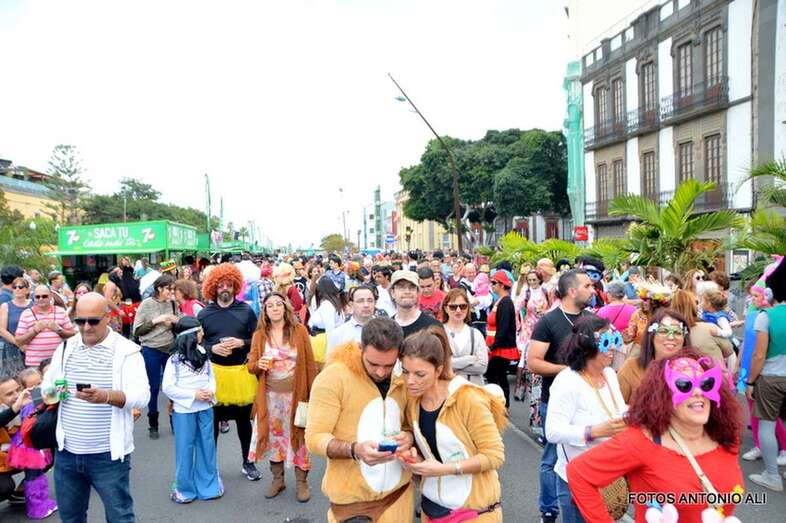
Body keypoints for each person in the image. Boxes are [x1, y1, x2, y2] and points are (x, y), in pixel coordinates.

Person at [567, 349, 743, 522]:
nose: (698, 392)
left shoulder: (726, 435)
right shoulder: (641, 442)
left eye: (706, 383)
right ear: (663, 396)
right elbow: (579, 474)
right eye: (684, 385)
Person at [41, 292, 150, 523]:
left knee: (119, 517)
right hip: (67, 452)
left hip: (108, 455)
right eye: (80, 321)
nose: (86, 327)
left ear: (108, 317)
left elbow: (142, 396)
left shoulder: (126, 351)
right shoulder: (66, 348)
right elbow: (47, 388)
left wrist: (106, 396)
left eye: (93, 321)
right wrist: (54, 392)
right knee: (71, 518)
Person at [305, 318, 415, 523]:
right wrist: (355, 450)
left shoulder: (405, 377)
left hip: (399, 497)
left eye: (389, 365)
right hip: (352, 504)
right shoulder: (333, 377)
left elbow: (410, 425)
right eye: (373, 364)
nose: (381, 372)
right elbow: (314, 438)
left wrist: (408, 437)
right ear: (360, 348)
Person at [399, 327, 506, 522]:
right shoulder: (413, 401)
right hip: (432, 509)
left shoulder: (468, 398)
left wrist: (445, 469)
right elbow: (427, 443)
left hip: (474, 511)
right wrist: (411, 448)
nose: (410, 381)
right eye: (405, 372)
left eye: (420, 374)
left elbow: (494, 455)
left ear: (439, 370)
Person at [527, 269, 595, 523]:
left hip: (587, 403)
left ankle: (582, 507)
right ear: (572, 291)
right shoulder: (549, 321)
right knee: (552, 457)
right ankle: (548, 509)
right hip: (555, 402)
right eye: (587, 286)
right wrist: (568, 370)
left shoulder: (593, 320)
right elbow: (534, 362)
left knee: (583, 456)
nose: (593, 290)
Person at [545, 316, 627, 523]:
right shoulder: (567, 381)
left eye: (615, 340)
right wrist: (594, 431)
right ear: (587, 345)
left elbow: (618, 410)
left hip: (609, 475)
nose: (613, 348)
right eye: (606, 342)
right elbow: (553, 431)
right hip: (577, 480)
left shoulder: (609, 374)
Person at [247, 292, 317, 502]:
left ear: (285, 307)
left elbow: (310, 363)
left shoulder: (299, 331)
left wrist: (313, 394)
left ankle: (301, 482)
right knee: (274, 438)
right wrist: (258, 365)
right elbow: (251, 366)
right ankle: (278, 480)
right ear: (265, 311)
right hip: (270, 398)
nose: (275, 308)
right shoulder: (259, 335)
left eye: (279, 304)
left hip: (296, 396)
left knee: (299, 437)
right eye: (270, 305)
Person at [197, 263, 261, 481]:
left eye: (229, 285)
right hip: (215, 375)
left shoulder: (246, 311)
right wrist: (211, 348)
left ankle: (248, 463)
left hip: (241, 374)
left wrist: (242, 342)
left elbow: (258, 340)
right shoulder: (204, 314)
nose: (225, 288)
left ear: (235, 287)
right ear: (213, 287)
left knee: (244, 423)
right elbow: (197, 344)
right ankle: (210, 468)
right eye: (221, 285)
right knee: (212, 424)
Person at [161, 316, 223, 504]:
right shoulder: (174, 360)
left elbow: (211, 377)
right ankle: (184, 488)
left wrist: (210, 391)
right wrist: (193, 395)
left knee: (207, 445)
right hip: (184, 411)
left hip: (206, 408)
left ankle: (209, 486)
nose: (203, 333)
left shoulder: (203, 353)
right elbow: (168, 387)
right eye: (199, 331)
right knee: (185, 448)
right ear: (192, 335)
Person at [746, 255, 786, 491]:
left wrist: (750, 382)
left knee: (767, 426)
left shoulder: (766, 317)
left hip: (771, 379)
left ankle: (772, 475)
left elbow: (759, 355)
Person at [133, 274, 180, 439]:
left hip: (170, 349)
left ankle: (174, 419)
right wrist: (157, 320)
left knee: (173, 387)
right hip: (151, 349)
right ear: (159, 288)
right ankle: (153, 423)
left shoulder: (173, 303)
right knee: (153, 387)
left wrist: (174, 322)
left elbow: (179, 327)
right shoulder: (146, 304)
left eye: (173, 289)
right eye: (168, 289)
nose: (171, 292)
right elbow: (137, 331)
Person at [617, 308, 691, 403]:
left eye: (677, 332)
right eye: (663, 331)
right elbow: (616, 408)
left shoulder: (693, 370)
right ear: (652, 336)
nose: (671, 337)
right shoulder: (631, 367)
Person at [513, 270, 549, 431]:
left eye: (535, 279)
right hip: (529, 332)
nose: (532, 282)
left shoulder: (546, 292)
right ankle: (520, 387)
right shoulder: (525, 294)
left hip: (545, 330)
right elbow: (516, 308)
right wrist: (519, 326)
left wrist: (545, 314)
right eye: (530, 280)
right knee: (527, 366)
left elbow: (553, 307)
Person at [15, 285, 76, 368]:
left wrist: (59, 330)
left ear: (50, 296)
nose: (41, 299)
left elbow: (72, 335)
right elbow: (18, 341)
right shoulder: (26, 314)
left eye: (44, 296)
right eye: (37, 297)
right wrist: (34, 331)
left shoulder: (61, 312)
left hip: (57, 362)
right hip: (34, 364)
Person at [484, 271, 518, 408]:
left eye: (494, 283)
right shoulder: (501, 301)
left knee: (497, 375)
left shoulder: (505, 302)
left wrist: (493, 347)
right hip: (496, 346)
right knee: (496, 375)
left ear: (502, 285)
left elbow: (503, 328)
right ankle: (500, 404)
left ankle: (503, 405)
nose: (491, 285)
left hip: (500, 347)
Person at [670, 290, 732, 364]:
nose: (699, 304)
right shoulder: (709, 327)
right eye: (697, 302)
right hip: (711, 369)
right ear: (694, 306)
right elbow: (729, 350)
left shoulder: (669, 332)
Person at [441, 288, 488, 385]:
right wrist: (469, 359)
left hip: (472, 389)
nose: (458, 310)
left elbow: (482, 367)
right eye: (453, 307)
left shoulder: (476, 334)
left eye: (463, 306)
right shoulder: (439, 333)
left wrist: (451, 365)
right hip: (446, 389)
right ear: (446, 308)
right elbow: (438, 365)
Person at [326, 284, 377, 357]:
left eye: (370, 301)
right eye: (360, 301)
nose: (366, 305)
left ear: (375, 303)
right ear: (351, 305)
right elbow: (331, 361)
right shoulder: (338, 334)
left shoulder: (386, 331)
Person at [390, 270, 442, 340]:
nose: (407, 292)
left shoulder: (433, 326)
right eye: (401, 287)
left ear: (417, 292)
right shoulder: (387, 328)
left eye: (412, 287)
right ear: (392, 292)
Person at [0, 277, 31, 375]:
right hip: (12, 347)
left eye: (20, 287)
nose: (17, 289)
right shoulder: (6, 306)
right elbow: (2, 330)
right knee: (14, 378)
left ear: (27, 290)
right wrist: (19, 344)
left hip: (32, 347)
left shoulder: (33, 305)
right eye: (14, 287)